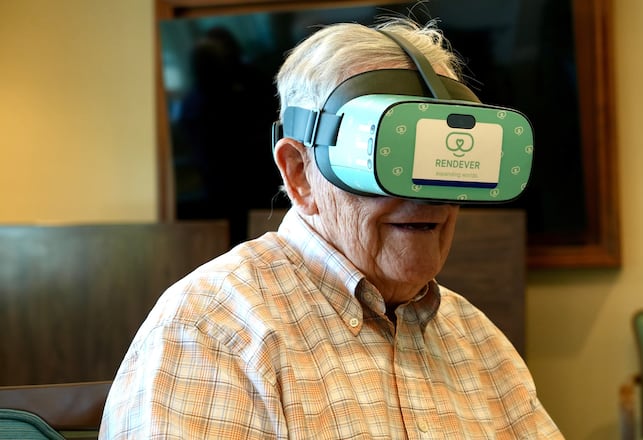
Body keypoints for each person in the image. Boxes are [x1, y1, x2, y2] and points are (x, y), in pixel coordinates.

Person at [99, 17, 563, 439]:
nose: (428, 196)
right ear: (300, 172)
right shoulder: (213, 331)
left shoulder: (479, 342)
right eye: (387, 157)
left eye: (442, 158)